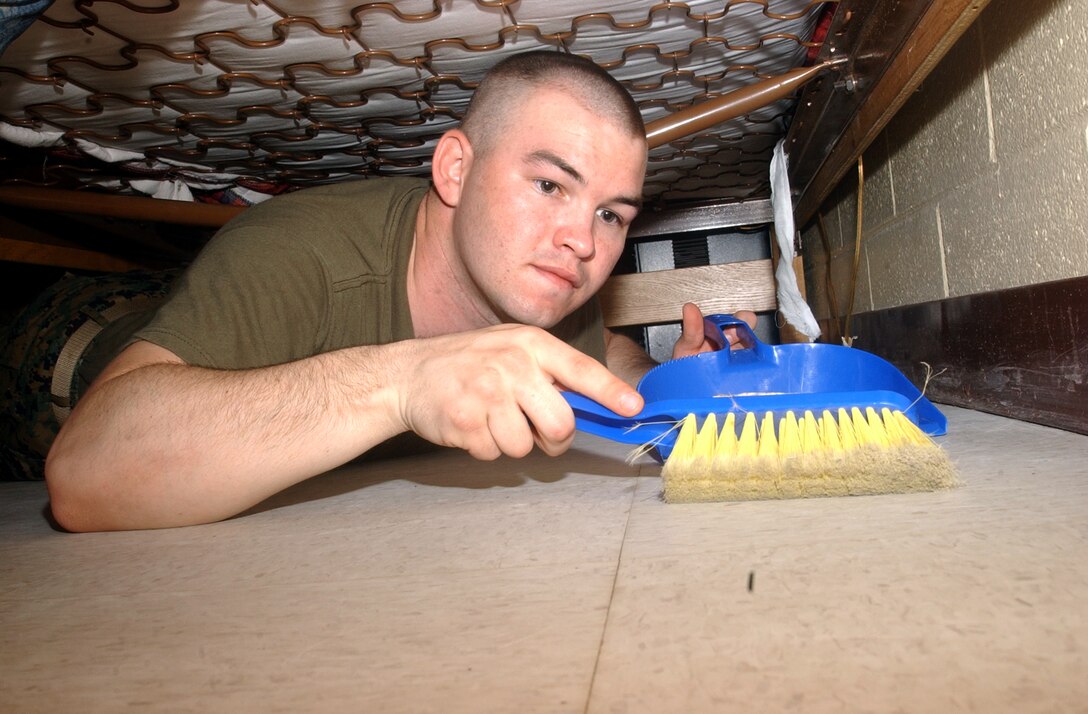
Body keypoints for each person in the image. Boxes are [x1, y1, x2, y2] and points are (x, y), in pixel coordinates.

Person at [43, 51, 753, 532]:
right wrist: (402, 379)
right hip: (58, 356)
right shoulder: (300, 252)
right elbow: (82, 476)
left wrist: (666, 382)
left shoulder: (539, 277)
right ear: (453, 169)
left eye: (610, 214)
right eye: (548, 185)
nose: (583, 241)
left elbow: (601, 352)